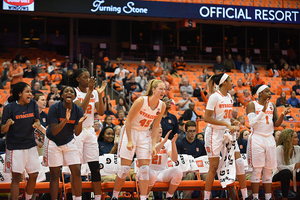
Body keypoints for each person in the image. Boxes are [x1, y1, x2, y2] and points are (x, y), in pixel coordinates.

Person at [112, 79, 166, 200]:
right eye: (161, 89)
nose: (163, 91)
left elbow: (156, 125)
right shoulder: (142, 100)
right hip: (130, 131)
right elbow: (128, 120)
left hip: (145, 133)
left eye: (164, 89)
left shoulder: (162, 105)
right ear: (153, 89)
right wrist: (130, 140)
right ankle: (114, 196)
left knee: (145, 169)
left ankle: (143, 197)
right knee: (125, 169)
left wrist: (153, 145)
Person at [203, 73, 248, 200]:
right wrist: (225, 124)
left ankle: (245, 197)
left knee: (239, 162)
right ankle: (206, 198)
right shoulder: (214, 97)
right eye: (230, 80)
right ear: (223, 83)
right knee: (213, 167)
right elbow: (207, 118)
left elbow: (225, 117)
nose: (232, 82)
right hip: (214, 134)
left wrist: (233, 122)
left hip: (227, 132)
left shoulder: (229, 96)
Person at [68, 68, 107, 200]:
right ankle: (76, 198)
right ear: (78, 79)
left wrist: (99, 94)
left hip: (90, 130)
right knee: (76, 168)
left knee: (95, 167)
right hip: (77, 131)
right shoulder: (74, 92)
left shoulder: (94, 92)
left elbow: (101, 112)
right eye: (84, 77)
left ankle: (97, 197)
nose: (88, 79)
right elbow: (80, 110)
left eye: (89, 76)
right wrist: (90, 91)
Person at [246, 84, 290, 200]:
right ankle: (255, 197)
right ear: (260, 93)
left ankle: (268, 196)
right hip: (257, 138)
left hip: (269, 138)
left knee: (268, 170)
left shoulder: (272, 105)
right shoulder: (252, 105)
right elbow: (251, 123)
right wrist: (263, 110)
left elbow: (276, 124)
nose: (270, 93)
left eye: (270, 91)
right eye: (267, 91)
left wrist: (282, 115)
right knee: (257, 170)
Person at [43, 86, 86, 200]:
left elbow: (77, 133)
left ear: (74, 96)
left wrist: (80, 123)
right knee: (55, 175)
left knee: (76, 171)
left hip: (69, 140)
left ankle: (78, 198)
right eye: (66, 91)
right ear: (62, 95)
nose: (69, 93)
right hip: (53, 141)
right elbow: (54, 131)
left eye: (71, 92)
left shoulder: (78, 110)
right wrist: (65, 121)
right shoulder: (54, 108)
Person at [1, 82, 41, 200]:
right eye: (27, 92)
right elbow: (3, 130)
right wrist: (7, 124)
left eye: (30, 92)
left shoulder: (33, 104)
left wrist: (37, 123)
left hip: (30, 145)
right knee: (16, 177)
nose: (30, 94)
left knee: (34, 175)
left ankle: (28, 198)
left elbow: (37, 120)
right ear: (19, 94)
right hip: (15, 146)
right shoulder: (9, 108)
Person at [147, 124, 182, 200]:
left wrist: (173, 144)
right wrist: (163, 143)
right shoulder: (146, 142)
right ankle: (145, 197)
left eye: (161, 127)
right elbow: (151, 154)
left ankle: (169, 196)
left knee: (178, 172)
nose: (160, 129)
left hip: (161, 172)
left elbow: (174, 159)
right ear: (150, 131)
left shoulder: (167, 142)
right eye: (157, 127)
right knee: (152, 174)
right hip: (147, 172)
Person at [176, 120, 206, 199]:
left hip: (199, 169)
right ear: (185, 131)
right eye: (190, 131)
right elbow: (178, 160)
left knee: (207, 175)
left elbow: (204, 159)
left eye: (194, 131)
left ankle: (206, 197)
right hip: (186, 170)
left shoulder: (201, 143)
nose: (192, 133)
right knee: (190, 175)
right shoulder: (179, 143)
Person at [272, 129, 300, 200]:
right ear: (288, 139)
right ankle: (285, 198)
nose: (298, 139)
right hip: (278, 175)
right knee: (286, 172)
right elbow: (279, 167)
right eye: (295, 137)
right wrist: (294, 166)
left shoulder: (298, 148)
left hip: (293, 175)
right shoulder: (279, 149)